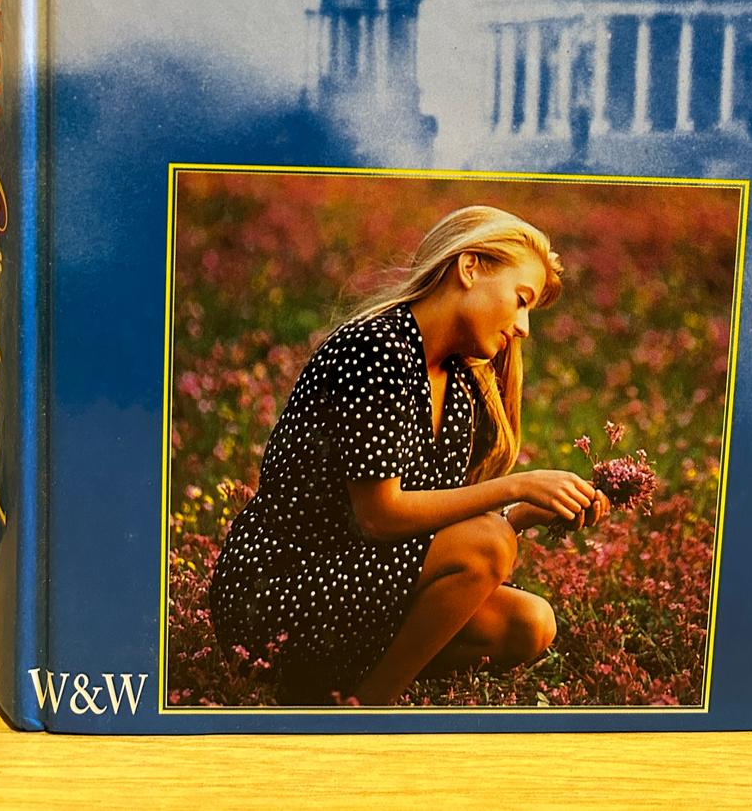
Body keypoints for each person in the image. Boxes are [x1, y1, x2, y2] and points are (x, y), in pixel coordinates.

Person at [208, 203, 607, 705]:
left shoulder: (457, 383)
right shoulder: (375, 349)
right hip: (277, 592)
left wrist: (527, 512)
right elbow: (379, 517)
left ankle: (338, 689)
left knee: (530, 623)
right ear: (469, 268)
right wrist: (516, 485)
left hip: (355, 579)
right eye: (521, 300)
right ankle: (368, 709)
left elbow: (431, 523)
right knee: (489, 544)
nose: (524, 326)